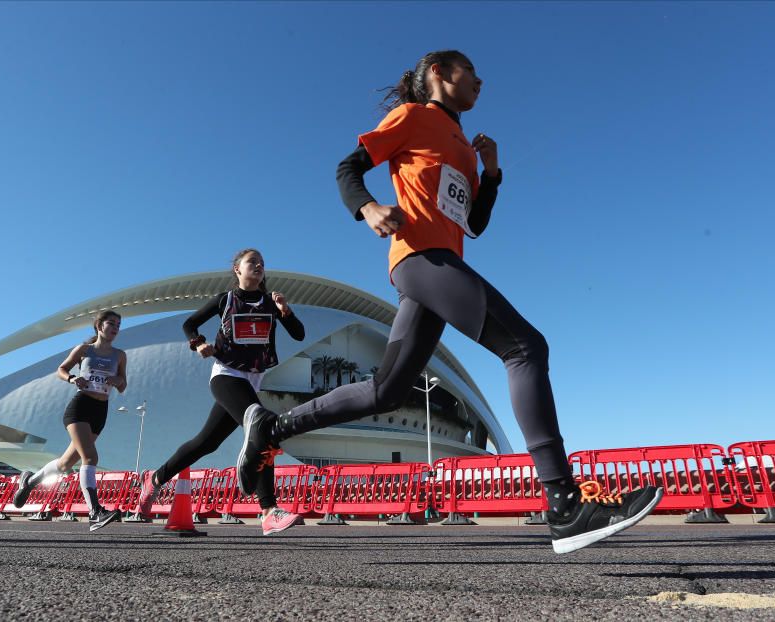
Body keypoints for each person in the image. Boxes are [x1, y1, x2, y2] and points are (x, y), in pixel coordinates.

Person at [236, 50, 663, 553]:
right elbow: (348, 167)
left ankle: (272, 427)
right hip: (420, 259)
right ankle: (563, 503)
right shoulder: (412, 117)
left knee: (386, 391)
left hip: (437, 264)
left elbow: (475, 225)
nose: (481, 81)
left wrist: (492, 171)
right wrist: (368, 207)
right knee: (524, 347)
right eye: (471, 72)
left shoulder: (462, 145)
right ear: (439, 73)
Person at [136, 248, 306, 536]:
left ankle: (154, 478)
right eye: (252, 262)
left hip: (252, 381)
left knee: (206, 443)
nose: (259, 265)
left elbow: (299, 334)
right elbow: (189, 324)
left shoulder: (270, 302)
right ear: (237, 269)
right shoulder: (224, 300)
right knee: (264, 428)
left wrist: (286, 311)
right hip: (226, 376)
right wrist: (198, 343)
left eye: (262, 263)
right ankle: (268, 511)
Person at [13, 310, 127, 532]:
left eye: (118, 325)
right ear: (99, 325)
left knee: (66, 464)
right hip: (79, 408)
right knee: (90, 456)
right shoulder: (84, 350)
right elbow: (61, 369)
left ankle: (29, 481)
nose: (115, 328)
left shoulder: (120, 355)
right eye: (111, 323)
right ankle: (95, 512)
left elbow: (123, 385)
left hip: (100, 410)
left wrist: (117, 380)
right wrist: (73, 378)